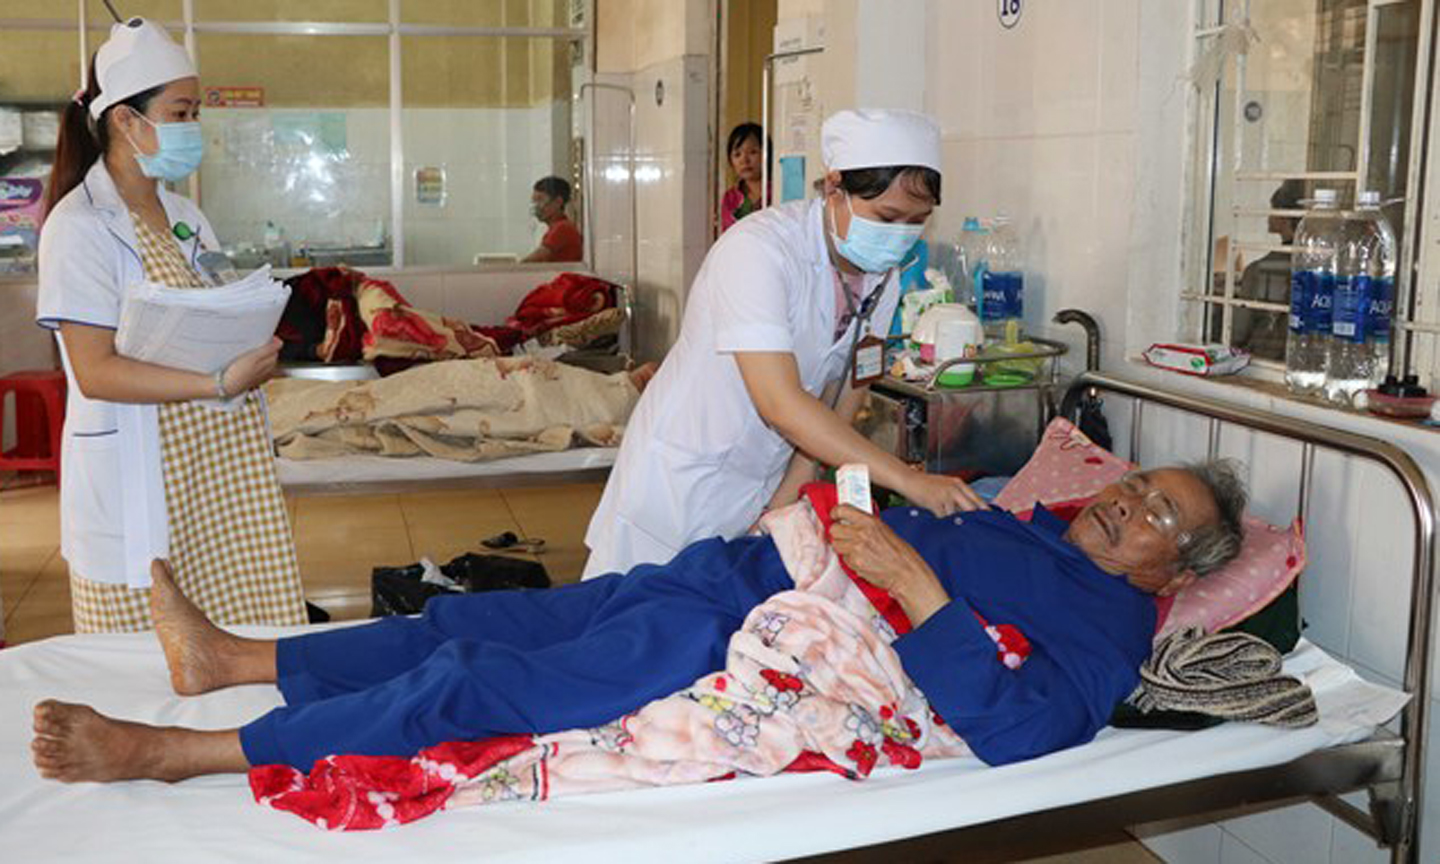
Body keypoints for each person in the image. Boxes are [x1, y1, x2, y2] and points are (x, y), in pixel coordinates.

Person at [30, 461, 1246, 782]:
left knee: (482, 686)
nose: (1124, 503)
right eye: (1136, 484)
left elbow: (1024, 728)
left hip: (755, 635)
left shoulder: (1109, 634)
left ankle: (180, 756)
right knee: (489, 623)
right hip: (734, 571)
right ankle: (234, 658)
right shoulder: (1029, 522)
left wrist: (919, 593)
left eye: (1153, 515)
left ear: (1172, 571)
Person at [584, 109, 984, 578]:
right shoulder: (758, 250)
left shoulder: (881, 275)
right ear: (835, 187)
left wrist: (795, 482)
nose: (900, 236)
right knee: (625, 624)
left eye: (917, 220)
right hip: (681, 482)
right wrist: (908, 480)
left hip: (760, 480)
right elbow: (779, 401)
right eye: (888, 217)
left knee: (713, 632)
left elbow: (856, 376)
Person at [34, 18, 305, 633]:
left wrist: (250, 335)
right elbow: (96, 372)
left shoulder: (185, 216)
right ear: (127, 121)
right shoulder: (79, 227)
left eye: (195, 112)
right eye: (180, 113)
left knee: (242, 641)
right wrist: (217, 382)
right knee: (147, 664)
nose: (192, 129)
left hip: (219, 471)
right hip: (145, 476)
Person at [1227, 179, 1305, 362]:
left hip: (1263, 360)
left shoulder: (1258, 270)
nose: (1268, 216)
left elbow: (1237, 333)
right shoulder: (1322, 267)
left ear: (1285, 216)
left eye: (1273, 209)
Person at [522, 176, 583, 263]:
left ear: (558, 202)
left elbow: (533, 260)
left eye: (540, 200)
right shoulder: (558, 227)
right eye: (534, 201)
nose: (536, 206)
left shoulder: (562, 228)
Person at [720, 122, 766, 232]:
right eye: (737, 154)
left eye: (752, 152)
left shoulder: (777, 191)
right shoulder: (730, 198)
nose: (744, 160)